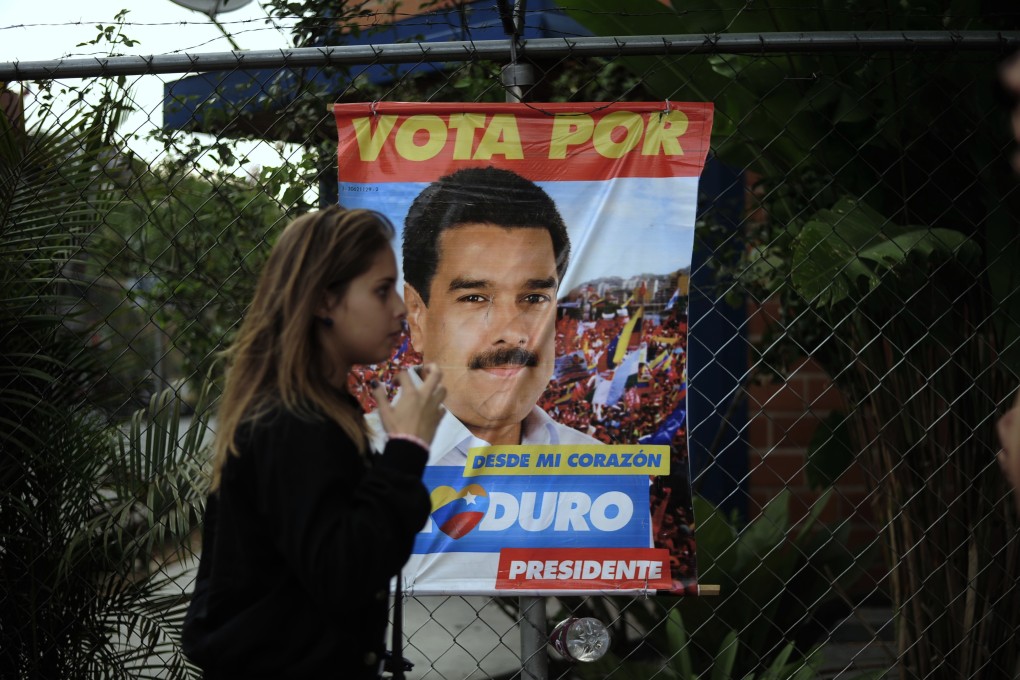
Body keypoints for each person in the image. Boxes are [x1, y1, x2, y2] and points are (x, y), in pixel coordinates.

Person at [181, 206, 447, 679]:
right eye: (382, 290)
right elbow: (343, 571)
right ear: (325, 301)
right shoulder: (292, 421)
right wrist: (406, 449)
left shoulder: (314, 410)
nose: (400, 308)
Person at [392, 165, 600, 466]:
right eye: (475, 298)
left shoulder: (598, 469)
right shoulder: (353, 462)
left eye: (534, 298)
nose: (513, 330)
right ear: (416, 315)